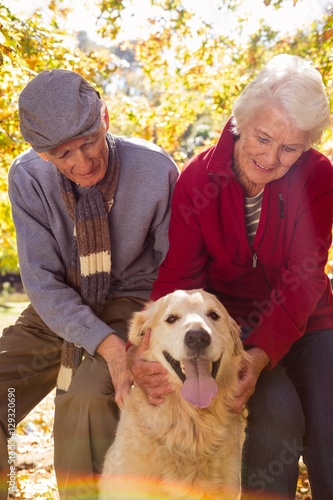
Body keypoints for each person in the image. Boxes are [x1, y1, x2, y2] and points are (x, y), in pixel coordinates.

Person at [128, 54, 333, 500]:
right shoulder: (197, 179)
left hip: (311, 322)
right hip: (232, 330)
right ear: (242, 121)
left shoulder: (318, 176)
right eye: (263, 138)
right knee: (276, 413)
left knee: (330, 417)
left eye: (290, 148)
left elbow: (304, 277)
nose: (271, 157)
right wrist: (140, 353)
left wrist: (263, 356)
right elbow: (179, 277)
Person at [0, 69, 179, 500]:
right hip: (59, 304)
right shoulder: (27, 177)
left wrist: (129, 346)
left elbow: (177, 271)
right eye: (63, 155)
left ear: (106, 119)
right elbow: (41, 281)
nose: (82, 163)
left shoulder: (156, 169)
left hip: (133, 302)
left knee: (87, 396)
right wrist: (105, 344)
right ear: (43, 156)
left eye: (88, 142)